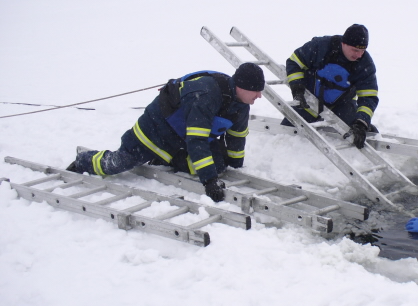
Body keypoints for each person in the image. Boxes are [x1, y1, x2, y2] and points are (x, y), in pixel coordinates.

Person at [67, 63, 265, 203]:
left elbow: (237, 136)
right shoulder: (205, 95)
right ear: (241, 86)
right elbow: (197, 140)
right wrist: (210, 181)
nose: (259, 96)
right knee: (120, 163)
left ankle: (167, 159)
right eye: (256, 91)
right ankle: (84, 161)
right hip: (155, 132)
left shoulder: (241, 104)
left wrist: (235, 166)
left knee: (217, 163)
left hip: (181, 138)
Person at [282, 24, 379, 149]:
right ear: (344, 43)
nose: (359, 55)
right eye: (355, 50)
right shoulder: (320, 46)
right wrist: (297, 88)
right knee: (284, 135)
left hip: (341, 106)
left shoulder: (365, 64)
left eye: (362, 50)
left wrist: (362, 122)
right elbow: (294, 62)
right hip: (309, 102)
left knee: (360, 134)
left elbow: (369, 96)